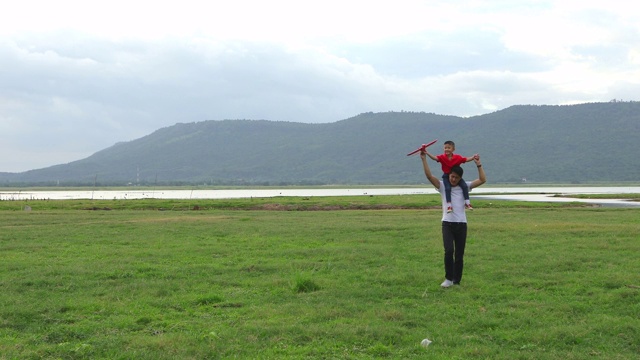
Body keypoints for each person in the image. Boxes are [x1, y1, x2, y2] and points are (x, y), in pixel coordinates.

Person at [419, 150, 486, 288]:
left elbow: (482, 180)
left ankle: (457, 281)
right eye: (451, 176)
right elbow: (429, 176)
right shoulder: (443, 187)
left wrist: (478, 165)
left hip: (461, 224)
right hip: (447, 224)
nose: (453, 179)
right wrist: (424, 159)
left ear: (460, 178)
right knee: (449, 251)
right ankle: (448, 279)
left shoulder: (465, 186)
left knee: (459, 254)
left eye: (455, 177)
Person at [424, 140, 477, 213]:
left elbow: (466, 159)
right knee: (448, 188)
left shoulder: (457, 158)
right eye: (445, 148)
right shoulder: (442, 157)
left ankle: (467, 203)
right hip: (446, 176)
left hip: (456, 176)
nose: (447, 149)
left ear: (453, 149)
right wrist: (427, 153)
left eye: (449, 148)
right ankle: (449, 205)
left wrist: (473, 157)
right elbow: (434, 158)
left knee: (464, 186)